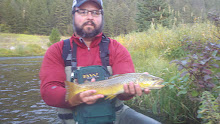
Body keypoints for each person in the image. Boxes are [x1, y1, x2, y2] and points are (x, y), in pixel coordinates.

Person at [40, 0, 161, 124]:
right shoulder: (57, 50)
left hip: (115, 117)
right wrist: (75, 98)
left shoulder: (117, 48)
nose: (89, 17)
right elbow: (48, 91)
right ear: (73, 14)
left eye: (96, 12)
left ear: (102, 16)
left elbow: (123, 93)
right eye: (82, 12)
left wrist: (128, 93)